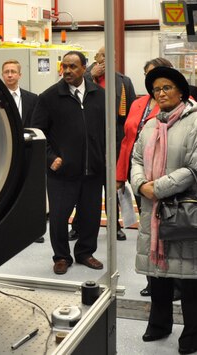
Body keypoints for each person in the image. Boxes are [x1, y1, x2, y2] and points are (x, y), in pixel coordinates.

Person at [129, 66, 197, 354]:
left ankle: (194, 335)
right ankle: (159, 324)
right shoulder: (151, 124)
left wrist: (158, 188)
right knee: (157, 273)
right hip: (151, 208)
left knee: (191, 275)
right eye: (156, 90)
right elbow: (136, 158)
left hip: (183, 209)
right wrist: (141, 184)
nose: (161, 93)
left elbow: (195, 167)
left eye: (166, 87)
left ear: (181, 91)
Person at [31, 51, 106, 275]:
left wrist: (105, 159)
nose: (67, 71)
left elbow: (109, 130)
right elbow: (37, 132)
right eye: (64, 67)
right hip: (62, 172)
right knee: (59, 217)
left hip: (93, 170)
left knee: (90, 216)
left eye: (73, 67)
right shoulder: (49, 97)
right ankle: (62, 256)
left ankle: (85, 252)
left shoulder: (99, 95)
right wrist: (50, 158)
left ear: (85, 68)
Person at [117, 57, 185, 299]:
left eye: (162, 80)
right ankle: (153, 278)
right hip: (140, 179)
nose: (158, 87)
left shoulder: (182, 105)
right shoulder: (138, 104)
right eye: (151, 79)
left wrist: (160, 184)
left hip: (168, 182)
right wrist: (122, 175)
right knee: (148, 231)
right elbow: (128, 141)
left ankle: (175, 282)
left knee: (171, 232)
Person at [68, 45, 135, 241]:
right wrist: (89, 75)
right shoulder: (82, 79)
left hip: (114, 140)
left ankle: (114, 226)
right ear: (95, 58)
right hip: (88, 140)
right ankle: (78, 225)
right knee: (86, 185)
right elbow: (70, 95)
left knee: (112, 186)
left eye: (109, 56)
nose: (105, 60)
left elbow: (130, 113)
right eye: (101, 56)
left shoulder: (123, 82)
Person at [1, 59, 44, 243]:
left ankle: (31, 229)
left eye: (13, 71)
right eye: (6, 72)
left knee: (29, 190)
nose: (10, 74)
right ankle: (8, 228)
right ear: (2, 75)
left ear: (20, 75)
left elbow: (36, 124)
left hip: (27, 151)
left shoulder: (32, 98)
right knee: (7, 190)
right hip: (4, 152)